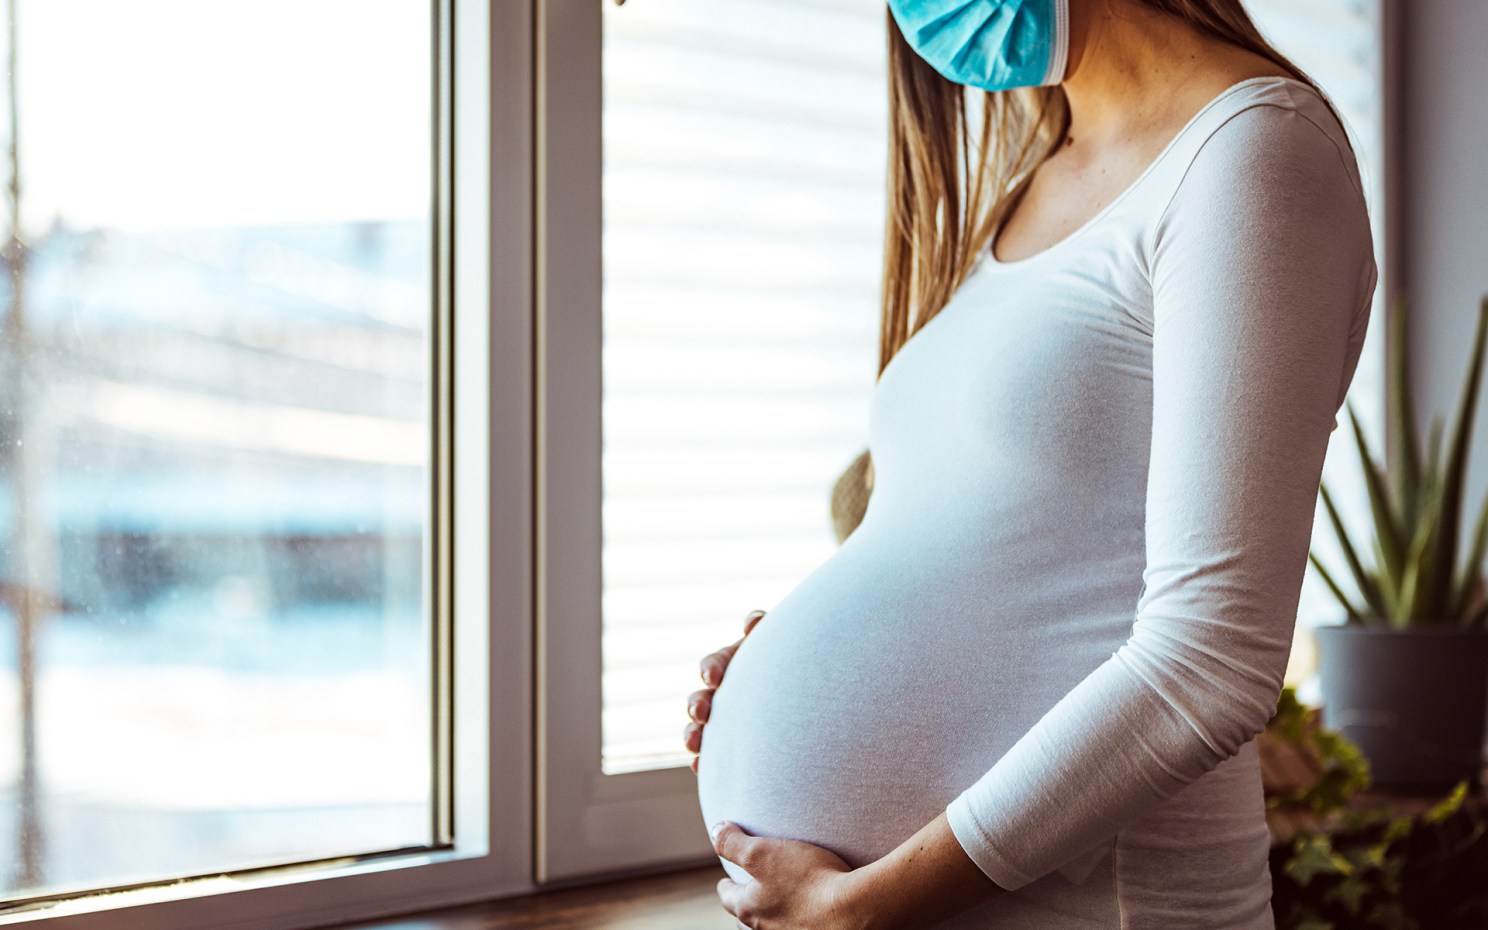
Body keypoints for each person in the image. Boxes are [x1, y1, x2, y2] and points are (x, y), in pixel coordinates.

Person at [682, 0, 1377, 926]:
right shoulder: (1035, 179)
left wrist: (863, 906)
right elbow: (1018, 548)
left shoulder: (1254, 150)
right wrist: (810, 662)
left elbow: (1213, 660)